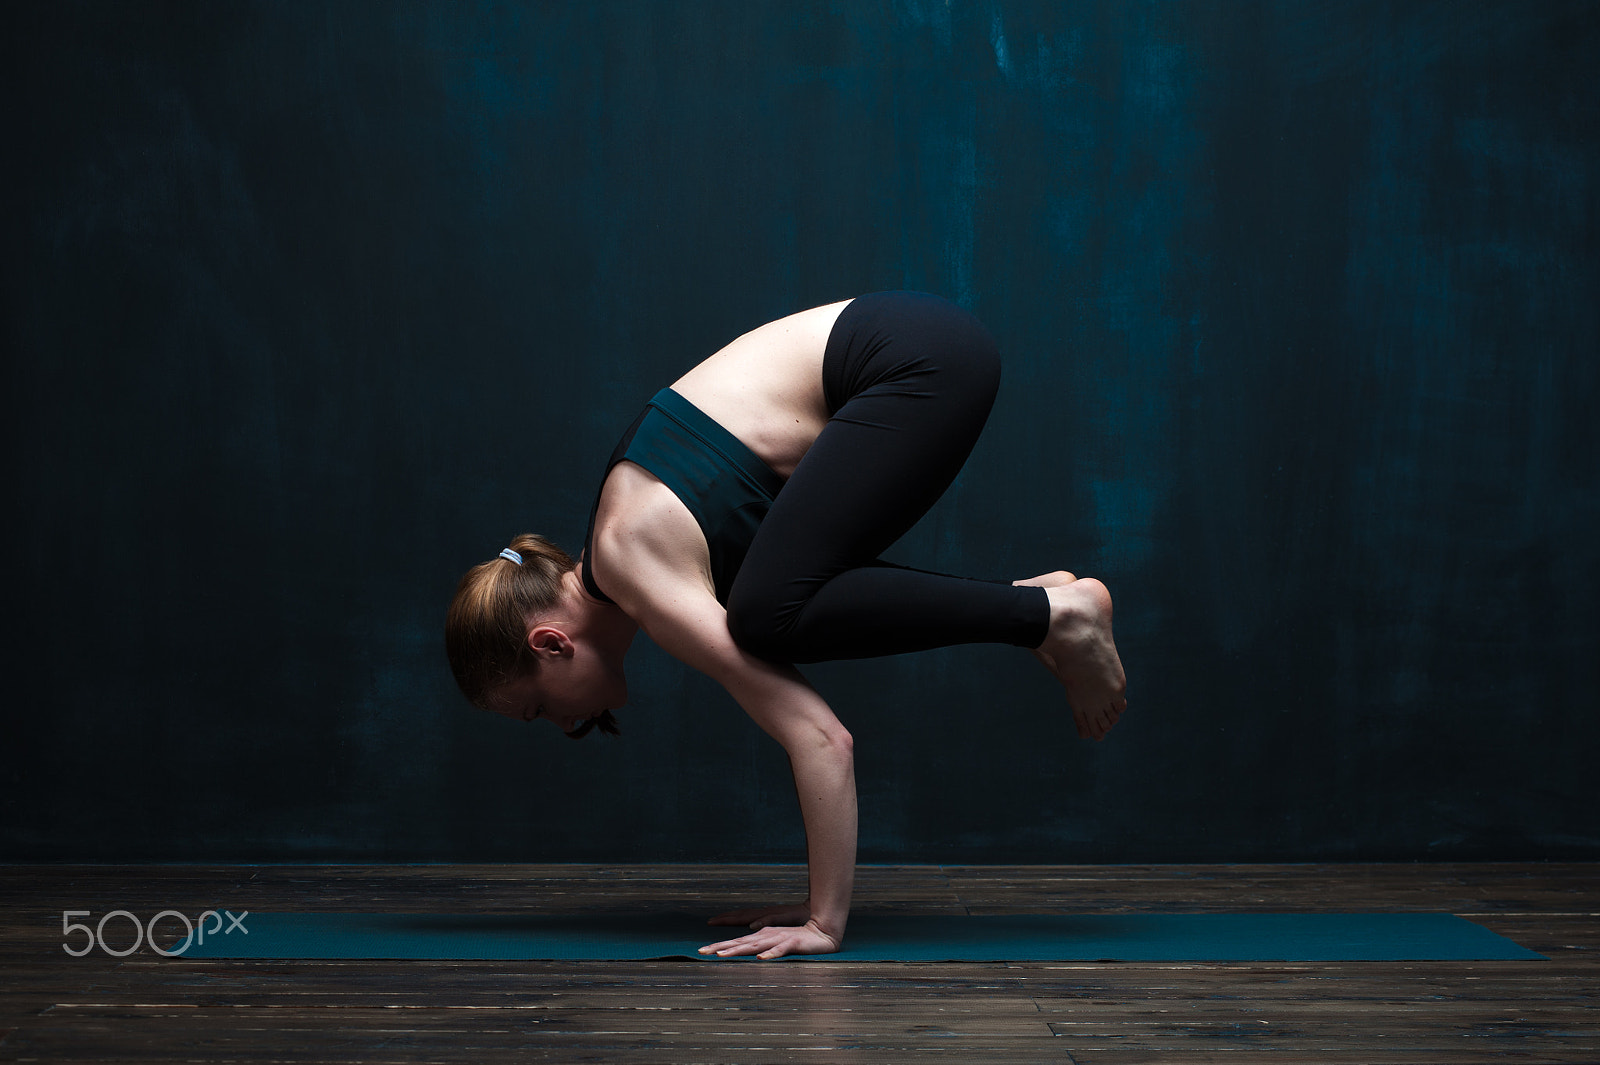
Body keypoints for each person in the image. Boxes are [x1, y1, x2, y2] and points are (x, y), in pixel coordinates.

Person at [445, 291, 1128, 960]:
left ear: (551, 642)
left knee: (766, 615)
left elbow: (821, 736)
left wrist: (823, 922)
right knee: (773, 601)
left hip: (918, 361)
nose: (566, 727)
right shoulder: (638, 547)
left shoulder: (634, 562)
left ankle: (1052, 615)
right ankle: (1039, 605)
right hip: (922, 349)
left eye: (538, 710)